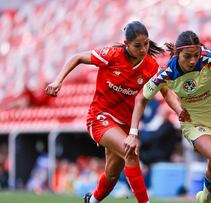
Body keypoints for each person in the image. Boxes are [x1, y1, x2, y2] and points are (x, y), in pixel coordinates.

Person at [45, 21, 170, 203]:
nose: (143, 49)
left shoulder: (150, 66)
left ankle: (92, 200)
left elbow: (166, 91)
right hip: (100, 117)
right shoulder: (111, 55)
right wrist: (58, 81)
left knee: (111, 175)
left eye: (146, 44)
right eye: (137, 46)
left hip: (124, 124)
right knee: (131, 152)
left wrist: (179, 109)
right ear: (126, 44)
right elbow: (77, 57)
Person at [126, 30, 211, 203]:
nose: (193, 60)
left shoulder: (208, 58)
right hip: (194, 123)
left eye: (196, 55)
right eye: (187, 56)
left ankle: (204, 200)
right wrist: (133, 133)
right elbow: (141, 99)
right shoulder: (167, 73)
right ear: (177, 53)